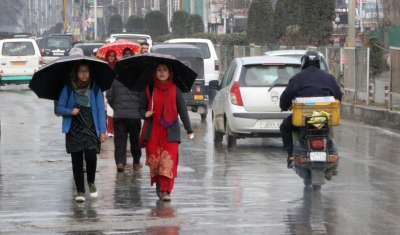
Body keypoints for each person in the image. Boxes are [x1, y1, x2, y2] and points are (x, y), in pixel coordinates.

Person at [139, 63, 194, 202]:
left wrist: (189, 129)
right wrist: (145, 114)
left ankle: (166, 190)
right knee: (156, 162)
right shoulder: (149, 88)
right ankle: (159, 186)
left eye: (165, 70)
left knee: (168, 161)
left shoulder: (176, 90)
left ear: (170, 73)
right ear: (154, 72)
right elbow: (140, 108)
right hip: (153, 132)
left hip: (171, 132)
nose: (162, 72)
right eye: (159, 70)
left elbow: (183, 111)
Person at [279, 50, 342, 169]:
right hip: (324, 118)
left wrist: (284, 106)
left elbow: (285, 98)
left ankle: (291, 156)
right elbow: (338, 96)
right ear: (318, 62)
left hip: (303, 118)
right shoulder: (329, 77)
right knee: (328, 130)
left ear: (303, 63)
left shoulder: (297, 78)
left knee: (285, 127)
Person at [56, 61, 107, 202]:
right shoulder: (68, 89)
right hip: (74, 129)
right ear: (76, 73)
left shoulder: (95, 89)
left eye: (87, 71)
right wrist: (69, 111)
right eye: (81, 71)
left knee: (91, 156)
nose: (84, 74)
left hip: (91, 128)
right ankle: (80, 190)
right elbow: (59, 108)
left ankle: (91, 181)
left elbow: (100, 111)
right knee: (76, 161)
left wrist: (102, 131)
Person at [106, 79, 143, 172]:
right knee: (135, 139)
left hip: (119, 114)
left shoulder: (114, 80)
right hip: (134, 115)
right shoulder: (138, 80)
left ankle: (120, 163)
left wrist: (117, 107)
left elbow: (109, 96)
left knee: (119, 139)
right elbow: (143, 97)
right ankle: (136, 162)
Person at [104, 50, 117, 137]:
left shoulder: (117, 67)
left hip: (114, 90)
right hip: (105, 89)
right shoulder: (104, 66)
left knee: (110, 110)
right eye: (110, 55)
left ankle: (110, 130)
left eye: (113, 56)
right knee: (104, 109)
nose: (111, 57)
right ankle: (104, 129)